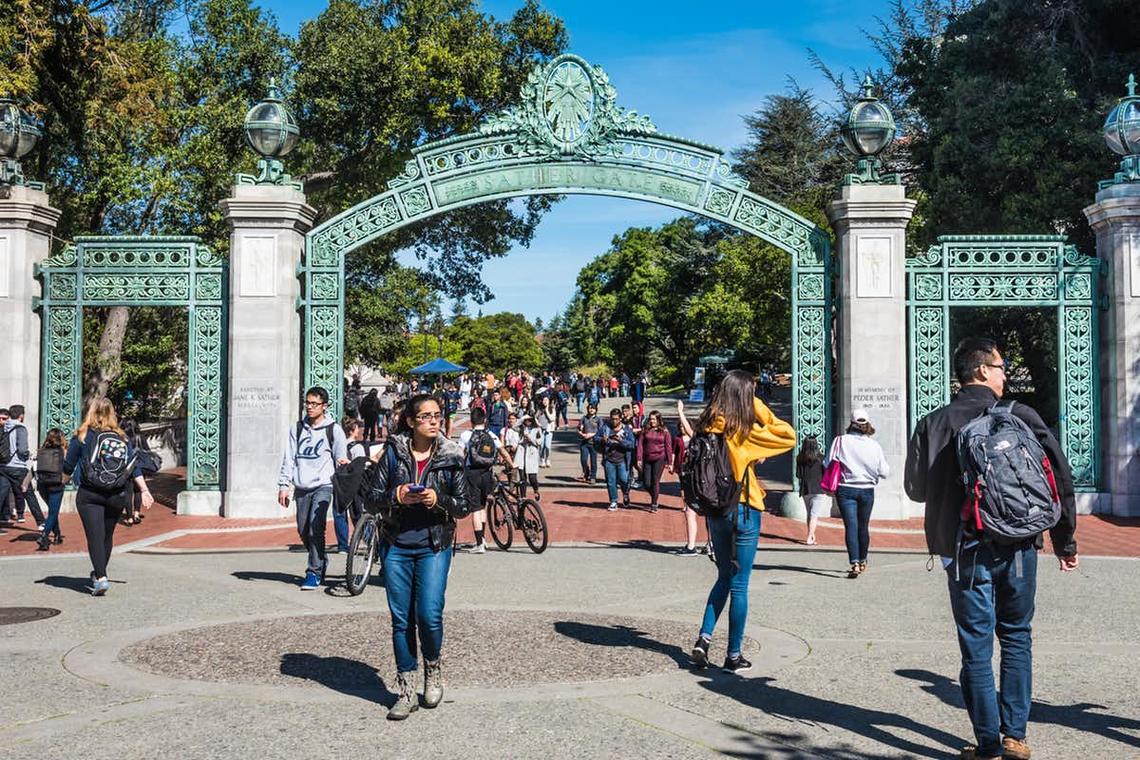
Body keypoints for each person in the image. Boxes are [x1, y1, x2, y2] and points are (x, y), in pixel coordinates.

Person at [905, 337, 1078, 760]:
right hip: (1019, 544)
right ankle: (1014, 737)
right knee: (1017, 637)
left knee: (976, 645)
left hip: (964, 550)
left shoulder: (935, 421)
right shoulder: (1020, 415)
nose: (1005, 375)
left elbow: (915, 490)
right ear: (982, 370)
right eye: (1002, 367)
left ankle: (987, 744)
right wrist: (1064, 540)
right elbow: (1060, 475)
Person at [364, 393, 468, 720]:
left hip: (434, 544)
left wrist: (438, 499)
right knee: (401, 619)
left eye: (437, 414)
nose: (434, 421)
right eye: (426, 416)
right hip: (396, 545)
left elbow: (464, 505)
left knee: (429, 614)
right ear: (410, 421)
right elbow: (371, 499)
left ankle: (432, 668)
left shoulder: (452, 456)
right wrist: (396, 496)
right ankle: (406, 687)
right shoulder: (394, 454)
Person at [686, 370, 796, 673]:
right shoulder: (744, 432)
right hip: (744, 507)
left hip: (716, 511)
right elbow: (788, 435)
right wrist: (757, 405)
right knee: (740, 585)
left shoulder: (706, 427)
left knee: (723, 576)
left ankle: (704, 638)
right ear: (745, 396)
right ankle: (733, 655)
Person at [62, 398, 155, 595]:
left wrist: (60, 484)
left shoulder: (82, 435)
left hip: (90, 493)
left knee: (94, 536)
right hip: (116, 494)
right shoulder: (122, 437)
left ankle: (101, 577)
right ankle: (99, 573)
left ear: (90, 411)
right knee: (107, 535)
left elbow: (68, 466)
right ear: (112, 413)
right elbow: (133, 467)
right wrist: (145, 490)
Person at [277, 386, 348, 590]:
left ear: (324, 406)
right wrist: (284, 485)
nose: (309, 407)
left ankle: (313, 572)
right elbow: (289, 458)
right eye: (307, 403)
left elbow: (340, 459)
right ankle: (321, 559)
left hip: (323, 486)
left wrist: (343, 471)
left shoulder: (333, 430)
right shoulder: (297, 429)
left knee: (316, 527)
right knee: (303, 529)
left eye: (314, 404)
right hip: (301, 486)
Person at [825, 408, 889, 578]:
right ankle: (863, 559)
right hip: (867, 489)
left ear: (852, 423)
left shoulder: (840, 441)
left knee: (851, 526)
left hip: (846, 488)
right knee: (863, 526)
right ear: (867, 423)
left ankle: (854, 563)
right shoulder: (874, 445)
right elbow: (884, 471)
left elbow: (827, 462)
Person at [458, 406, 513, 554]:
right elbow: (503, 452)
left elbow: (458, 455)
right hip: (487, 473)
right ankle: (482, 539)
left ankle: (479, 543)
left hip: (472, 473)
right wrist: (512, 465)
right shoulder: (491, 435)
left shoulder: (465, 435)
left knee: (475, 508)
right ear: (485, 420)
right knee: (482, 506)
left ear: (471, 420)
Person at [1, 404, 44, 527]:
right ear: (21, 416)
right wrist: (28, 455)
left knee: (1, 493)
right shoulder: (20, 428)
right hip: (17, 467)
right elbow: (22, 450)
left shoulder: (5, 427)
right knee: (29, 494)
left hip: (3, 466)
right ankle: (41, 522)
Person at [673, 400, 702, 556]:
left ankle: (692, 546)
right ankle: (712, 545)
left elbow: (691, 432)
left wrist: (680, 411)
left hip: (698, 478)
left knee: (691, 512)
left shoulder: (700, 440)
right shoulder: (719, 439)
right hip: (712, 480)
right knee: (711, 514)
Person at [35, 428, 67, 550]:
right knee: (53, 512)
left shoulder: (41, 451)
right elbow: (68, 466)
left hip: (42, 484)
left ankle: (57, 534)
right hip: (56, 484)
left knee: (53, 511)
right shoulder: (62, 451)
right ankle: (44, 536)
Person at [636, 410, 672, 512]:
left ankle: (654, 503)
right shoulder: (645, 430)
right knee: (647, 483)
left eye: (654, 419)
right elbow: (640, 445)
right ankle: (654, 495)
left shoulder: (665, 431)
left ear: (658, 420)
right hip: (647, 458)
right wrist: (639, 458)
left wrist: (670, 462)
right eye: (650, 419)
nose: (652, 421)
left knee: (655, 481)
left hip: (659, 459)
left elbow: (668, 447)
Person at [795, 436, 828, 545]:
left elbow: (798, 475)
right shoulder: (821, 458)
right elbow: (825, 474)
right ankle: (809, 537)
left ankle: (811, 534)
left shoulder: (800, 458)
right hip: (819, 489)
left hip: (805, 489)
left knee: (810, 513)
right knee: (814, 514)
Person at [600, 408, 635, 511]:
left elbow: (632, 444)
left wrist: (621, 441)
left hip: (622, 460)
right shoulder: (605, 428)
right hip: (609, 459)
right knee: (611, 482)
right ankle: (613, 501)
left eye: (616, 419)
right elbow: (596, 439)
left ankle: (626, 493)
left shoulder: (626, 429)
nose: (614, 421)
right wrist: (603, 439)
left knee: (624, 480)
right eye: (612, 419)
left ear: (620, 419)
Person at [120, 419, 150, 526]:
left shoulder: (123, 439)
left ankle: (129, 517)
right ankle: (136, 514)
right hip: (140, 466)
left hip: (128, 468)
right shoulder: (141, 437)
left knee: (128, 492)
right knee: (138, 491)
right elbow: (148, 451)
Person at [515, 414, 542, 500]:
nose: (528, 422)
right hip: (522, 453)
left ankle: (536, 490)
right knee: (522, 478)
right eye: (526, 420)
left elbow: (539, 442)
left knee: (532, 477)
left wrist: (530, 439)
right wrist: (522, 418)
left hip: (532, 454)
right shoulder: (521, 428)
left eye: (529, 420)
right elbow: (514, 426)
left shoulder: (537, 429)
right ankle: (523, 496)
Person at [576, 403, 600, 484]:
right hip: (584, 442)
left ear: (596, 410)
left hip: (594, 443)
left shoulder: (598, 419)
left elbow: (601, 431)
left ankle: (593, 476)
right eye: (589, 408)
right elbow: (578, 429)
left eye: (593, 408)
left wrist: (591, 435)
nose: (591, 410)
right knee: (583, 459)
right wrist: (582, 433)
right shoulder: (584, 418)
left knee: (593, 461)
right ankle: (586, 473)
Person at [535, 395, 555, 468]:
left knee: (547, 446)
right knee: (541, 446)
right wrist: (538, 423)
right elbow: (535, 417)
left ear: (549, 401)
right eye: (544, 400)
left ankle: (547, 459)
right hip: (541, 430)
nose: (545, 402)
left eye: (546, 400)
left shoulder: (551, 409)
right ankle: (542, 459)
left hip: (549, 430)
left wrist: (546, 410)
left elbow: (552, 419)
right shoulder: (540, 409)